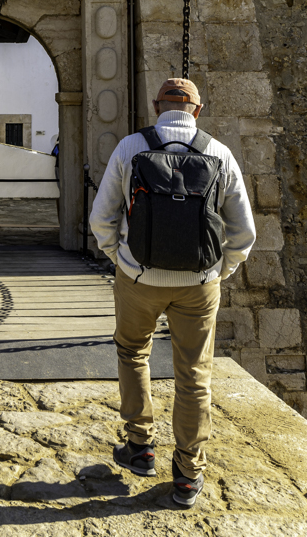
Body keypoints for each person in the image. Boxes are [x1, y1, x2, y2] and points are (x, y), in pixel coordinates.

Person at [89, 78, 255, 507]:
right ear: (197, 111)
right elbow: (243, 232)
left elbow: (101, 219)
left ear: (155, 106)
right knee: (194, 374)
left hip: (138, 279)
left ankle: (141, 447)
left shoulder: (130, 148)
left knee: (132, 351)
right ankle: (187, 473)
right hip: (199, 285)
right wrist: (220, 269)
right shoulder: (218, 152)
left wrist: (122, 260)